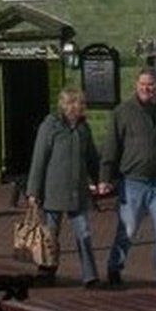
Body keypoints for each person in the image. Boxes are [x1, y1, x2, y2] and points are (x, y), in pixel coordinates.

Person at [98, 67, 156, 291]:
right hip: (133, 182)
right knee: (128, 230)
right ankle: (114, 267)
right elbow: (112, 146)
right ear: (136, 86)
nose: (146, 88)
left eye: (150, 85)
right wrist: (105, 177)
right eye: (143, 84)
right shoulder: (123, 112)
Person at [26, 86, 100, 287]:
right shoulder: (50, 126)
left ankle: (90, 275)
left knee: (83, 234)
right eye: (78, 103)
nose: (82, 107)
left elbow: (91, 157)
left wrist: (100, 179)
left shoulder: (84, 128)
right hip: (53, 191)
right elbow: (39, 159)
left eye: (82, 103)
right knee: (50, 236)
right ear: (68, 105)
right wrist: (33, 191)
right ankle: (46, 270)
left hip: (78, 191)